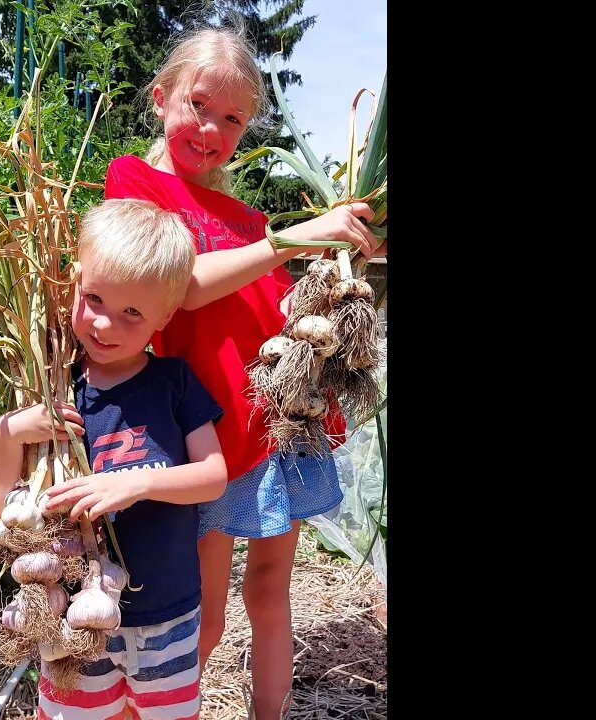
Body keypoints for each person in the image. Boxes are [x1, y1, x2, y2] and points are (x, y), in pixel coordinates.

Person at [101, 20, 383, 720]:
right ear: (161, 96)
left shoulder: (245, 215)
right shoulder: (132, 183)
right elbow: (180, 285)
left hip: (273, 422)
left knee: (268, 591)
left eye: (233, 118)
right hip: (199, 436)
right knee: (198, 612)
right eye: (199, 105)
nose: (212, 129)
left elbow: (266, 309)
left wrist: (329, 281)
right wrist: (293, 238)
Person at [0, 198, 230, 720]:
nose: (103, 325)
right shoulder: (55, 392)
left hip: (167, 616)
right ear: (75, 284)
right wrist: (7, 435)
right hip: (73, 616)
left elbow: (213, 477)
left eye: (132, 313)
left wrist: (133, 483)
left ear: (165, 315)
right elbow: (4, 507)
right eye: (93, 298)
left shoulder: (174, 384)